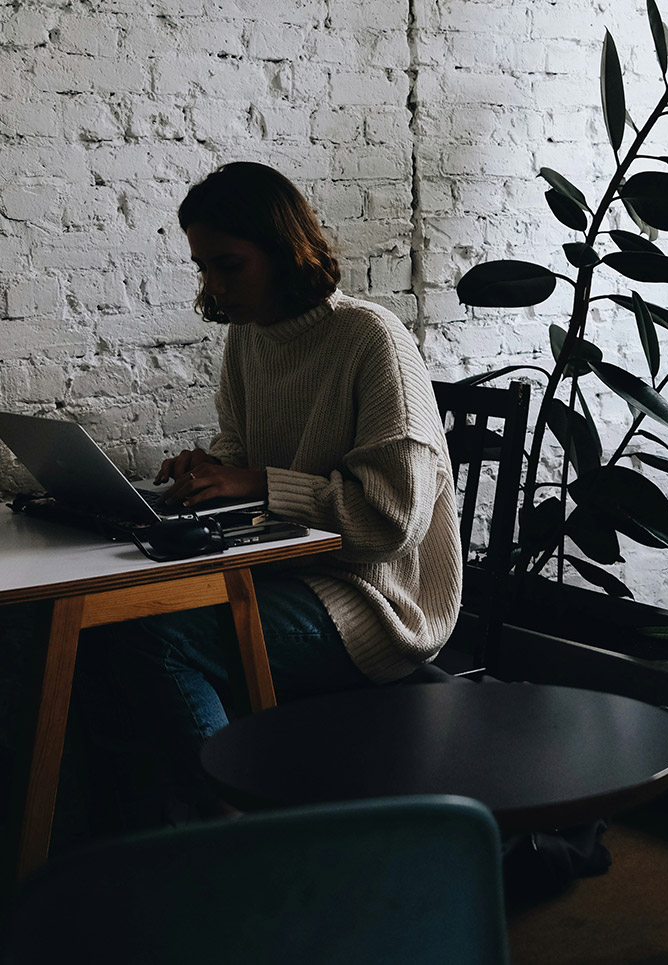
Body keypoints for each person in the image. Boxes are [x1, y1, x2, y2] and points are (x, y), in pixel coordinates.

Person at [76, 161, 462, 822]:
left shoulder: (372, 340)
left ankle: (244, 842)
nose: (215, 287)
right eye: (203, 268)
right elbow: (243, 446)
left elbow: (392, 518)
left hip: (372, 599)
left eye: (229, 265)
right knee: (105, 622)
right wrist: (210, 468)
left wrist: (256, 482)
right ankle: (151, 834)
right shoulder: (249, 342)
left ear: (286, 251)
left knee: (157, 637)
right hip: (286, 572)